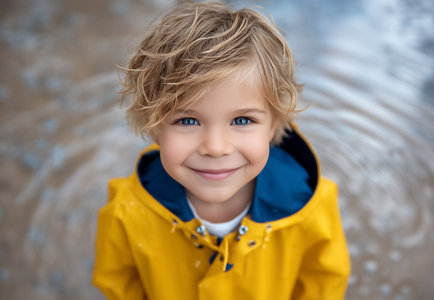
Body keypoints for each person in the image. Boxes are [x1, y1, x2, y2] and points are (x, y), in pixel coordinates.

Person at [92, 1, 350, 299]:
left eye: (242, 120)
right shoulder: (127, 212)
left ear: (273, 124)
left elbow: (324, 283)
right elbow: (118, 284)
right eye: (187, 120)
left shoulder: (309, 208)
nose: (216, 148)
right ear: (154, 127)